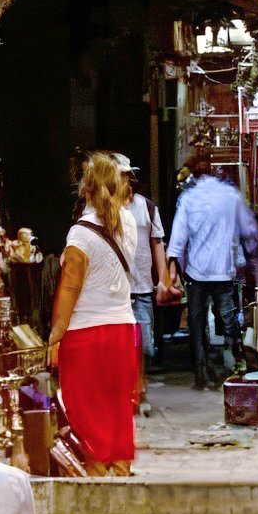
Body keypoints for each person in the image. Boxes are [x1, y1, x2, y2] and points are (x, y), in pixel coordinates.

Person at [48, 152, 146, 475]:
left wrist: (54, 336)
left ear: (86, 190)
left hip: (85, 334)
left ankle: (96, 472)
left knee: (84, 409)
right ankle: (120, 469)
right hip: (122, 330)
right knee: (118, 406)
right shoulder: (129, 222)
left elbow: (69, 289)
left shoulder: (80, 235)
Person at [167, 149, 258, 389]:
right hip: (223, 270)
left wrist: (173, 270)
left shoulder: (188, 199)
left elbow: (178, 239)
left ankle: (201, 373)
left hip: (196, 272)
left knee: (197, 324)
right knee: (229, 319)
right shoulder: (230, 196)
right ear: (214, 171)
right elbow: (250, 230)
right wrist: (248, 254)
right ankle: (236, 367)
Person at [119, 157, 172, 414]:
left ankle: (138, 389)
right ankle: (128, 394)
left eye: (128, 177)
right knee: (119, 346)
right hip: (115, 289)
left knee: (144, 346)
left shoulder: (147, 208)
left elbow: (157, 242)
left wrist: (164, 278)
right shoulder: (103, 209)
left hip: (141, 286)